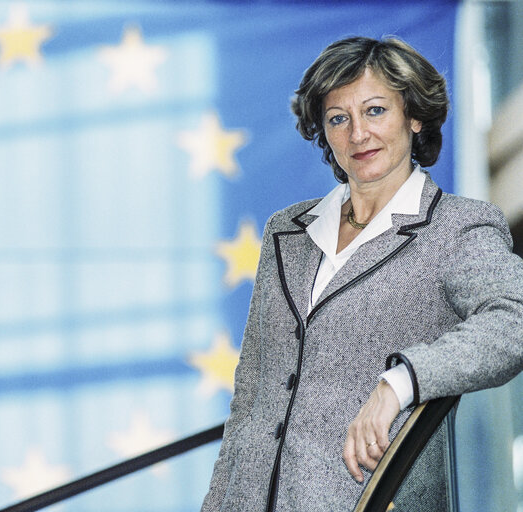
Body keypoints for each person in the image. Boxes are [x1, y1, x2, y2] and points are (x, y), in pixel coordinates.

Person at [201, 36, 523, 512]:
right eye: (338, 118)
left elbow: (514, 320)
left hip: (370, 500)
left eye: (375, 111)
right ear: (323, 132)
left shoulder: (459, 227)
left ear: (414, 117)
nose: (357, 134)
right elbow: (252, 396)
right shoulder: (283, 232)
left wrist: (400, 382)